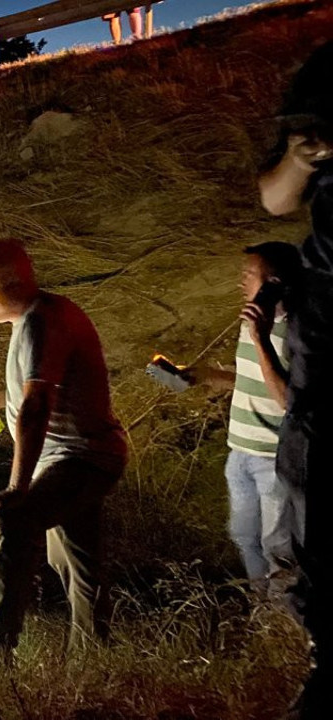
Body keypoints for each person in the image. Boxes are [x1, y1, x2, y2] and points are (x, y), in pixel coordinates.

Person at [0, 240, 128, 669]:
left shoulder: (41, 321)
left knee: (15, 519)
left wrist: (18, 487)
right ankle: (95, 661)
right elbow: (41, 387)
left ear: (12, 281)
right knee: (75, 560)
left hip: (82, 457)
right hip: (79, 457)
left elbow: (36, 407)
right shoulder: (35, 318)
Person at [258, 41, 333, 720]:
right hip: (330, 318)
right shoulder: (324, 74)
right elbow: (275, 197)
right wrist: (306, 154)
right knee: (307, 476)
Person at [186, 243, 301, 599]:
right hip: (240, 453)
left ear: (274, 283)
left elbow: (288, 399)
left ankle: (284, 622)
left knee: (278, 547)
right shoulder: (253, 324)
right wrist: (202, 375)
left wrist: (261, 338)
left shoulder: (298, 334)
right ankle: (261, 605)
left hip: (273, 458)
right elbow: (253, 378)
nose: (241, 282)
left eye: (249, 275)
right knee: (243, 537)